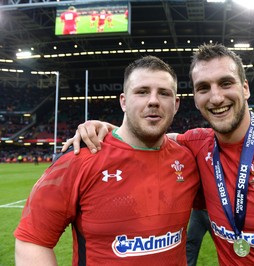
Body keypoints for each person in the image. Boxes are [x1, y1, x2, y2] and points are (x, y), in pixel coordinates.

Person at [63, 44, 254, 265]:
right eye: (204, 88)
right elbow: (143, 136)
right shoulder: (195, 145)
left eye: (226, 83)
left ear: (245, 88)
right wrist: (104, 127)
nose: (216, 97)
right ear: (194, 98)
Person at [14, 56, 200, 265]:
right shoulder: (78, 159)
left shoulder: (187, 160)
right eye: (142, 91)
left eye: (164, 93)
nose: (153, 100)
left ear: (176, 104)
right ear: (123, 101)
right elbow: (33, 240)